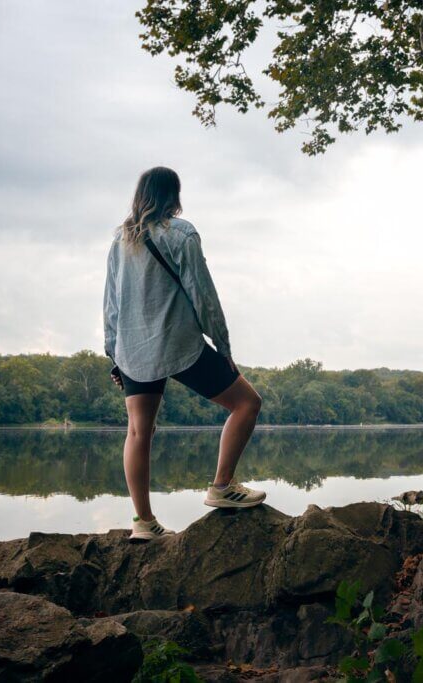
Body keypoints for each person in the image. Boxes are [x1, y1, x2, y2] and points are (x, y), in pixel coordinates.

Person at [103, 166, 265, 541]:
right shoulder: (183, 234)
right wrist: (223, 347)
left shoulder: (119, 241)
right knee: (247, 404)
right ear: (173, 196)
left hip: (131, 347)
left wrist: (114, 354)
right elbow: (202, 294)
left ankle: (143, 523)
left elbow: (111, 303)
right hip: (178, 344)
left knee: (139, 432)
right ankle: (222, 487)